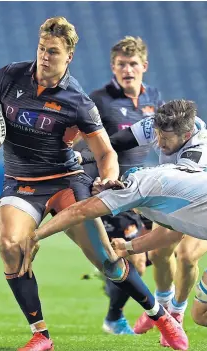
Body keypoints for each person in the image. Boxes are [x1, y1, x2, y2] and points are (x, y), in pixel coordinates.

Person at [0, 17, 185, 351]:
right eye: (41, 49)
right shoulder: (7, 77)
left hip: (64, 183)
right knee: (10, 247)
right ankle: (41, 336)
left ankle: (161, 318)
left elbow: (106, 151)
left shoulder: (77, 101)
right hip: (20, 183)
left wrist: (107, 176)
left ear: (69, 56)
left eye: (52, 51)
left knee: (107, 260)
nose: (44, 57)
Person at [18, 163, 207, 327]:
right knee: (200, 314)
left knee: (199, 311)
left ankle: (165, 311)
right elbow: (168, 235)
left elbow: (80, 212)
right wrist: (127, 247)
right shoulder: (164, 185)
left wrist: (35, 235)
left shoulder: (140, 189)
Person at [74, 35, 164, 334]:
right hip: (111, 190)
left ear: (144, 66)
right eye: (121, 64)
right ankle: (114, 318)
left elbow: (165, 139)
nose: (127, 69)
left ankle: (112, 280)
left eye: (133, 64)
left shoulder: (154, 98)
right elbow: (78, 139)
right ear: (113, 67)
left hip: (143, 188)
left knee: (160, 249)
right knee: (134, 259)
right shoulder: (99, 100)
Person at [109, 99, 207, 345]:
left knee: (186, 255)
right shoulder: (162, 125)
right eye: (157, 135)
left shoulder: (199, 151)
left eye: (165, 138)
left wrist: (130, 244)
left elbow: (174, 226)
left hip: (200, 204)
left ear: (186, 134)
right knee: (159, 254)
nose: (159, 143)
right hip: (176, 192)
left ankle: (176, 313)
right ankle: (162, 307)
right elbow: (116, 142)